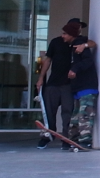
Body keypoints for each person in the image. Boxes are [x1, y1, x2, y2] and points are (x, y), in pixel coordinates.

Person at [35, 20, 86, 148]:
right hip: (53, 82)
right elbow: (48, 60)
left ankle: (66, 139)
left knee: (67, 112)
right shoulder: (56, 42)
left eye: (80, 28)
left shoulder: (79, 42)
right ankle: (47, 137)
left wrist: (84, 45)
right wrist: (41, 78)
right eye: (77, 27)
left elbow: (92, 43)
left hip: (69, 84)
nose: (80, 30)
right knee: (48, 112)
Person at [66, 40, 98, 149]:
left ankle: (86, 141)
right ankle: (74, 139)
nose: (63, 36)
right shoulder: (70, 49)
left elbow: (88, 60)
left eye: (65, 33)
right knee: (75, 117)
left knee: (85, 115)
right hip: (78, 89)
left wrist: (75, 69)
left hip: (87, 88)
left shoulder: (81, 45)